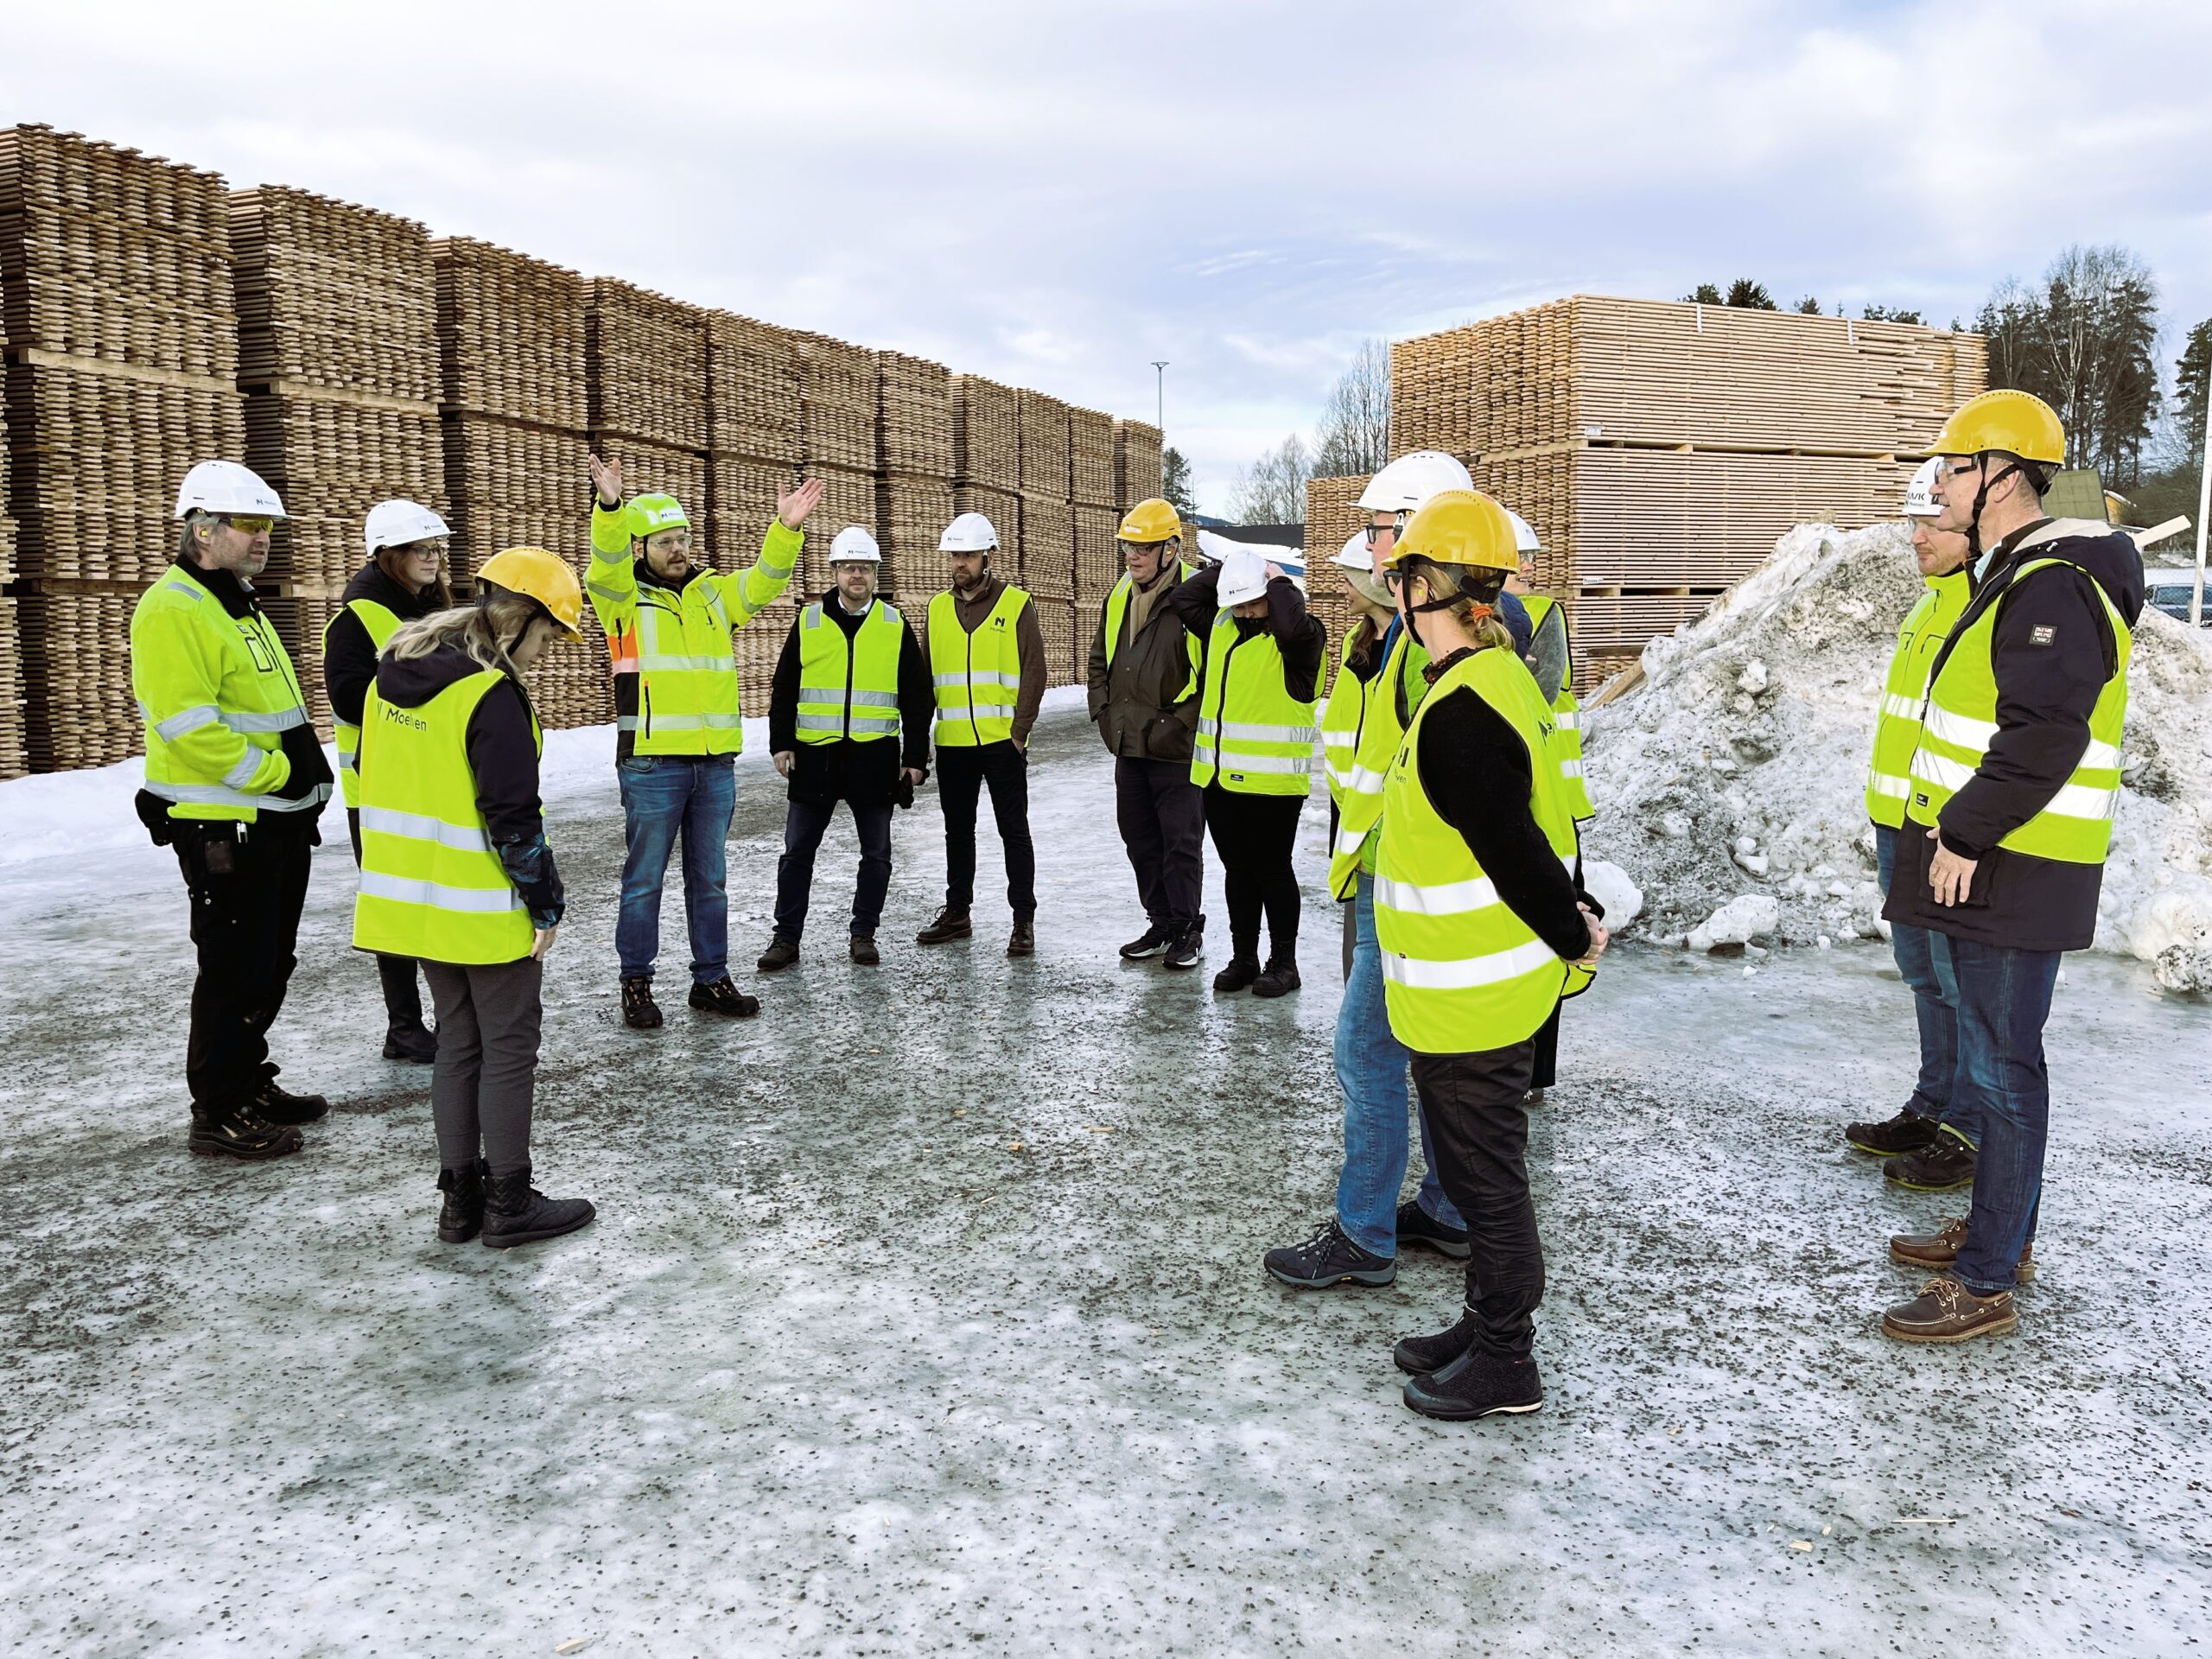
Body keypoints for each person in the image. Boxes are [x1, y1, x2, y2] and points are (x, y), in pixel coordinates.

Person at [1880, 389, 2141, 1343]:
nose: (1939, 487)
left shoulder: (2053, 585)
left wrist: (1962, 834)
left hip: (2015, 865)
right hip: (2006, 862)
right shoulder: (2027, 571)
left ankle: (1987, 1278)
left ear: (2000, 476)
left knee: (2003, 1069)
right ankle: (2000, 1233)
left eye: (1952, 469)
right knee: (1997, 1066)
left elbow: (2043, 734)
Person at [1366, 489, 1607, 1420]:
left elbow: (1511, 851)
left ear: (1428, 588)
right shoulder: (1495, 680)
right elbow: (1527, 829)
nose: (1397, 594)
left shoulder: (1462, 709)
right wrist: (1570, 916)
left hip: (1473, 999)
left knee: (1487, 1186)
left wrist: (1570, 928)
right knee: (1475, 1176)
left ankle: (1508, 1358)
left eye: (1404, 578)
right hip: (1473, 992)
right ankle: (1483, 1322)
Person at [1265, 451, 1479, 1291]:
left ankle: (1362, 1234)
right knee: (1419, 1055)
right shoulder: (1408, 640)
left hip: (1410, 890)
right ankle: (1450, 1211)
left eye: (1380, 529)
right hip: (1394, 879)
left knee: (1365, 1051)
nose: (1368, 545)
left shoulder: (1434, 653)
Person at [353, 546, 594, 1249]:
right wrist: (545, 902)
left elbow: (386, 778)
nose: (545, 654)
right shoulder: (489, 693)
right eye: (547, 637)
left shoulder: (389, 679)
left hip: (415, 906)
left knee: (459, 1042)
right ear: (521, 621)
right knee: (511, 1047)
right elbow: (512, 817)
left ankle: (459, 1202)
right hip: (484, 908)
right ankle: (510, 1203)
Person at [131, 461, 334, 1161]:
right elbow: (189, 725)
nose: (263, 537)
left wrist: (303, 784)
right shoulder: (174, 608)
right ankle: (218, 1111)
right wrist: (280, 773)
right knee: (233, 968)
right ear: (201, 529)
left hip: (269, 820)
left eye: (268, 525)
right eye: (249, 524)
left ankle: (247, 1080)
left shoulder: (233, 600)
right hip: (226, 823)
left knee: (269, 961)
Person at [588, 454, 822, 1027]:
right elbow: (605, 563)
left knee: (710, 880)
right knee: (643, 883)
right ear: (640, 548)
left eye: (683, 538)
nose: (678, 549)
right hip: (651, 765)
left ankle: (711, 978)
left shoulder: (715, 596)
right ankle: (636, 983)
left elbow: (765, 582)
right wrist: (613, 510)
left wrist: (785, 529)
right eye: (664, 540)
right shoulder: (621, 601)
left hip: (714, 764)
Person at [1842, 459, 1976, 1185]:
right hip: (1899, 825)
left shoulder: (1982, 609)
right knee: (1923, 974)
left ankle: (1968, 1128)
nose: (1915, 534)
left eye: (1930, 519)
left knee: (1960, 982)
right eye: (1911, 520)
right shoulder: (1926, 606)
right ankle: (1933, 1105)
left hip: (1946, 833)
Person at [760, 526, 932, 969]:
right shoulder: (809, 621)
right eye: (849, 567)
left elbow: (917, 696)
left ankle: (863, 933)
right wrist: (781, 743)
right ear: (835, 571)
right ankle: (786, 938)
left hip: (873, 758)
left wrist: (914, 758)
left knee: (876, 854)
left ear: (876, 573)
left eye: (865, 568)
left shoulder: (894, 625)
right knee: (797, 853)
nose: (857, 575)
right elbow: (784, 687)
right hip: (814, 756)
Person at [1160, 548, 1325, 995]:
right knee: (1238, 871)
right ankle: (1245, 958)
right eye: (1239, 603)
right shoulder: (1222, 629)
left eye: (1255, 602)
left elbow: (1290, 623)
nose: (1248, 612)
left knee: (1272, 870)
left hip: (1272, 785)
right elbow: (1183, 600)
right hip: (1219, 780)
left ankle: (1284, 964)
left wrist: (1278, 581)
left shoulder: (1301, 641)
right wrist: (1232, 567)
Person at [323, 498, 453, 1064]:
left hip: (429, 780)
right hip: (378, 789)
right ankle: (404, 1027)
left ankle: (447, 1015)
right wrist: (420, 687)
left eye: (435, 548)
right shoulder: (358, 617)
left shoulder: (428, 608)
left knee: (440, 900)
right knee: (397, 907)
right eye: (421, 549)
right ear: (388, 554)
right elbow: (346, 696)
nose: (433, 558)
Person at [915, 512, 1046, 957]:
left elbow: (1034, 671)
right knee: (958, 831)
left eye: (968, 555)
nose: (960, 564)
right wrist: (917, 744)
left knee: (1014, 831)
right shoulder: (935, 608)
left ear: (987, 556)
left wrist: (1019, 731)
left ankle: (1023, 920)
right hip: (953, 744)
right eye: (955, 556)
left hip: (1001, 744)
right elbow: (925, 681)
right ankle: (958, 913)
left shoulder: (1016, 604)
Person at [1086, 498, 1208, 969]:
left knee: (1181, 843)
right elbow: (1099, 660)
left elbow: (1217, 674)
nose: (1132, 557)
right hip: (1128, 744)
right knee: (1138, 836)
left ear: (1171, 549)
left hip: (1177, 749)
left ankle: (1187, 929)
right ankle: (1161, 922)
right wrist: (1103, 712)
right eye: (1127, 547)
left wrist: (1176, 724)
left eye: (1143, 547)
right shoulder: (1119, 595)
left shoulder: (1199, 595)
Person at [1500, 506, 1590, 1109]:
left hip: (1550, 799)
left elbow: (1540, 683)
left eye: (1530, 559)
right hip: (1524, 791)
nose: (1529, 569)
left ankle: (1534, 1071)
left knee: (1546, 924)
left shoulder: (1542, 616)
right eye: (1519, 559)